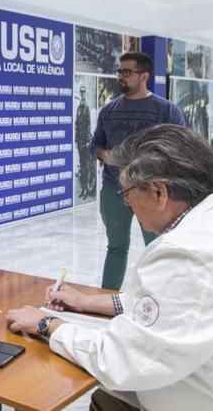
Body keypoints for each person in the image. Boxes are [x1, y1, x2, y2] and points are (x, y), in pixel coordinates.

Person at [6, 124, 213, 411]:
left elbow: (122, 361)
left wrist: (47, 324)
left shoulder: (189, 252)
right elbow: (177, 305)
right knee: (108, 399)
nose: (128, 205)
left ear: (158, 192)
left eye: (128, 195)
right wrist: (89, 302)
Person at [90, 52, 185, 291]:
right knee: (116, 247)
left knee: (158, 249)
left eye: (126, 72)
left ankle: (160, 299)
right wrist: (105, 155)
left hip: (152, 192)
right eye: (119, 71)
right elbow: (94, 145)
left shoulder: (166, 111)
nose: (120, 76)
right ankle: (106, 297)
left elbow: (181, 149)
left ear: (144, 76)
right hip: (114, 191)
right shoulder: (108, 111)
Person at [75, 85, 92, 199]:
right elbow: (77, 124)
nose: (82, 94)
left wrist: (87, 140)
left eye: (83, 93)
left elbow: (88, 125)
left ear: (85, 94)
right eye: (81, 93)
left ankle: (86, 189)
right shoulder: (78, 108)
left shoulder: (86, 108)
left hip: (85, 142)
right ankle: (82, 189)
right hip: (80, 141)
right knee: (81, 166)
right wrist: (76, 139)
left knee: (85, 167)